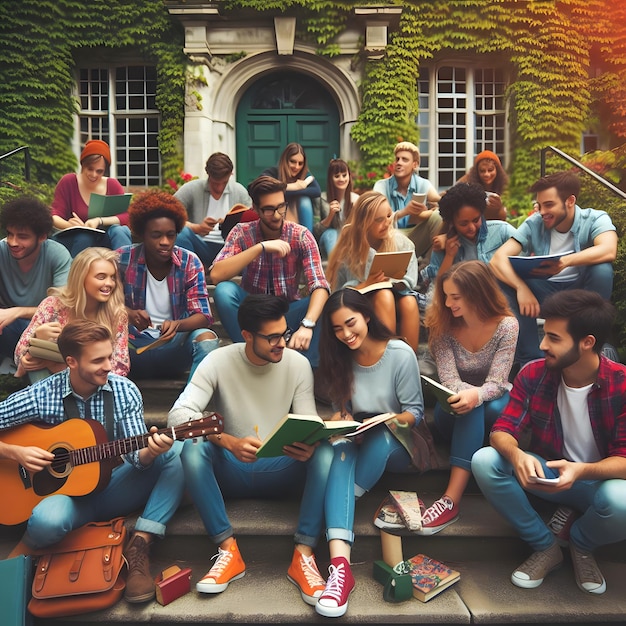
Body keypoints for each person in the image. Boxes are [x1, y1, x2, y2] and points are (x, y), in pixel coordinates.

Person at [1, 319, 184, 604]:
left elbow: (137, 458)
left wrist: (152, 450)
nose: (109, 366)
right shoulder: (42, 394)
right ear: (71, 361)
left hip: (114, 486)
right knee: (47, 521)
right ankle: (22, 557)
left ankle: (140, 544)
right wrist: (15, 452)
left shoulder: (124, 390)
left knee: (174, 453)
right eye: (98, 360)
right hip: (66, 498)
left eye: (110, 356)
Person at [167, 294, 333, 606]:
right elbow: (177, 416)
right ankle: (228, 550)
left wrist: (311, 441)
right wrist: (227, 440)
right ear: (247, 336)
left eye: (284, 334)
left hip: (281, 469)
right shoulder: (217, 360)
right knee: (192, 449)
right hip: (231, 467)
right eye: (272, 337)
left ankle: (304, 554)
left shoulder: (297, 364)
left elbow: (308, 419)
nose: (281, 343)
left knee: (325, 453)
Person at [471, 290, 626, 596]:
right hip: (547, 475)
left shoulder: (621, 384)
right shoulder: (534, 373)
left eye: (554, 338)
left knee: (621, 500)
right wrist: (516, 455)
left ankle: (581, 543)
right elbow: (502, 429)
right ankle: (546, 546)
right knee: (485, 461)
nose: (542, 344)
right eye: (544, 334)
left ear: (587, 342)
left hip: (597, 483)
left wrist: (580, 471)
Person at [315, 288, 424, 617]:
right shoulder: (339, 359)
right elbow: (342, 411)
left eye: (350, 323)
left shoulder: (399, 353)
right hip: (360, 439)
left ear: (366, 315)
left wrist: (386, 419)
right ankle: (340, 571)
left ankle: (341, 498)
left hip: (401, 442)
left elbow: (414, 413)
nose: (346, 334)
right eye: (337, 329)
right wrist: (340, 420)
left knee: (382, 437)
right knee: (341, 447)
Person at [418, 260, 518, 534]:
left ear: (478, 292)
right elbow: (449, 379)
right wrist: (468, 396)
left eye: (456, 297)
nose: (448, 304)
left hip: (493, 406)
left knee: (482, 405)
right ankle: (451, 500)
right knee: (467, 406)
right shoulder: (442, 325)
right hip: (452, 410)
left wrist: (477, 395)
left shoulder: (507, 326)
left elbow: (498, 383)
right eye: (446, 296)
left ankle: (451, 499)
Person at [490, 170, 617, 365]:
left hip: (580, 293)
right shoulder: (535, 222)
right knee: (502, 278)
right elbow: (497, 259)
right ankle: (529, 356)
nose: (542, 212)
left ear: (570, 201)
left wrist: (566, 262)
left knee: (602, 269)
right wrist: (521, 288)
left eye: (549, 205)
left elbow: (608, 249)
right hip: (543, 292)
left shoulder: (595, 218)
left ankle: (593, 343)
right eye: (539, 205)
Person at [210, 175, 329, 367]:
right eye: (268, 209)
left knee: (324, 302)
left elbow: (319, 284)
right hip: (251, 310)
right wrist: (260, 247)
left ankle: (307, 369)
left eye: (281, 207)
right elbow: (216, 275)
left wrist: (307, 324)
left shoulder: (301, 235)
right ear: (255, 209)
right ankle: (249, 358)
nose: (276, 215)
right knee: (224, 291)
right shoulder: (242, 232)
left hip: (287, 310)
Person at [117, 190, 219, 380]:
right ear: (142, 234)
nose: (165, 242)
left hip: (174, 347)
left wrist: (177, 325)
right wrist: (128, 314)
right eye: (156, 235)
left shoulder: (190, 262)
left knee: (207, 339)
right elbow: (100, 305)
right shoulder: (122, 258)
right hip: (128, 348)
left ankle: (189, 404)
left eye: (170, 235)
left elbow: (204, 316)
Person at [15, 247, 129, 382]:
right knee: (37, 365)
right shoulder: (52, 305)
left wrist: (59, 366)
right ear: (80, 278)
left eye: (112, 277)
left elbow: (120, 368)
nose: (109, 283)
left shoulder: (116, 314)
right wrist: (36, 338)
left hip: (96, 384)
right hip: (50, 380)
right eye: (101, 277)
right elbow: (19, 355)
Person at [325, 191, 420, 352]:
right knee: (384, 295)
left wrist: (394, 282)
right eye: (379, 220)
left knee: (409, 302)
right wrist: (367, 284)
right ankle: (388, 356)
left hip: (396, 295)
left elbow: (410, 279)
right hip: (358, 300)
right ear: (364, 223)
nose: (387, 223)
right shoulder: (349, 249)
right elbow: (337, 294)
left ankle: (409, 359)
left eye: (389, 216)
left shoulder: (401, 242)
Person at [0, 197, 71, 366]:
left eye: (22, 237)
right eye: (10, 234)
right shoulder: (1, 250)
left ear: (42, 237)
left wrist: (16, 312)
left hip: (44, 327)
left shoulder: (58, 255)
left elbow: (61, 308)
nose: (12, 242)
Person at [422, 182, 517, 294]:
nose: (471, 227)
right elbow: (438, 290)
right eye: (464, 224)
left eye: (476, 220)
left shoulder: (502, 231)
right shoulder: (443, 245)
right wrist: (449, 256)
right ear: (452, 223)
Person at [51, 139, 132, 257]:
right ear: (83, 165)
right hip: (77, 241)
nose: (94, 175)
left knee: (120, 231)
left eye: (99, 171)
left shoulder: (112, 185)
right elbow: (55, 215)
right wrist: (71, 225)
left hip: (104, 240)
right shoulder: (68, 182)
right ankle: (76, 273)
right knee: (84, 237)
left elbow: (127, 216)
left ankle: (125, 272)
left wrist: (99, 221)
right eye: (90, 169)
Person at [174, 152, 252, 267]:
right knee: (181, 233)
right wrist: (197, 228)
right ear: (208, 174)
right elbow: (168, 216)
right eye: (215, 183)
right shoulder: (191, 189)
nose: (219, 187)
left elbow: (253, 224)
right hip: (200, 247)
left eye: (224, 183)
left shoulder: (239, 192)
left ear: (231, 174)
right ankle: (192, 273)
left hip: (231, 250)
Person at [373, 141, 441, 265]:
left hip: (416, 236)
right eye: (397, 159)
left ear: (414, 165)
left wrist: (429, 212)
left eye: (404, 159)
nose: (399, 162)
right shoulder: (381, 186)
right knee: (389, 232)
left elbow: (440, 201)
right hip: (389, 237)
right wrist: (406, 212)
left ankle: (430, 266)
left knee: (439, 217)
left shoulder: (423, 184)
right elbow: (376, 217)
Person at [262, 142, 321, 231]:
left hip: (298, 216)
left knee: (304, 200)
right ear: (285, 160)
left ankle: (307, 239)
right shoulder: (273, 172)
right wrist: (292, 186)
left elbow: (316, 191)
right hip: (275, 215)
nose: (297, 167)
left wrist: (287, 192)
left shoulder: (304, 174)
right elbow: (261, 186)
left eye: (300, 163)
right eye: (293, 161)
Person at [314, 158, 359, 258]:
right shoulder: (321, 199)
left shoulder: (356, 199)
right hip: (327, 241)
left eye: (344, 175)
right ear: (331, 178)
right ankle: (336, 267)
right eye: (337, 176)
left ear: (349, 176)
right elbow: (315, 232)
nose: (341, 179)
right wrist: (330, 216)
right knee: (331, 233)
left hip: (348, 240)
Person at [457, 150, 509, 221]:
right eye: (482, 171)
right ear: (477, 172)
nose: (486, 174)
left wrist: (499, 208)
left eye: (490, 170)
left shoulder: (505, 185)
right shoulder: (467, 181)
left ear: (497, 170)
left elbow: (508, 216)